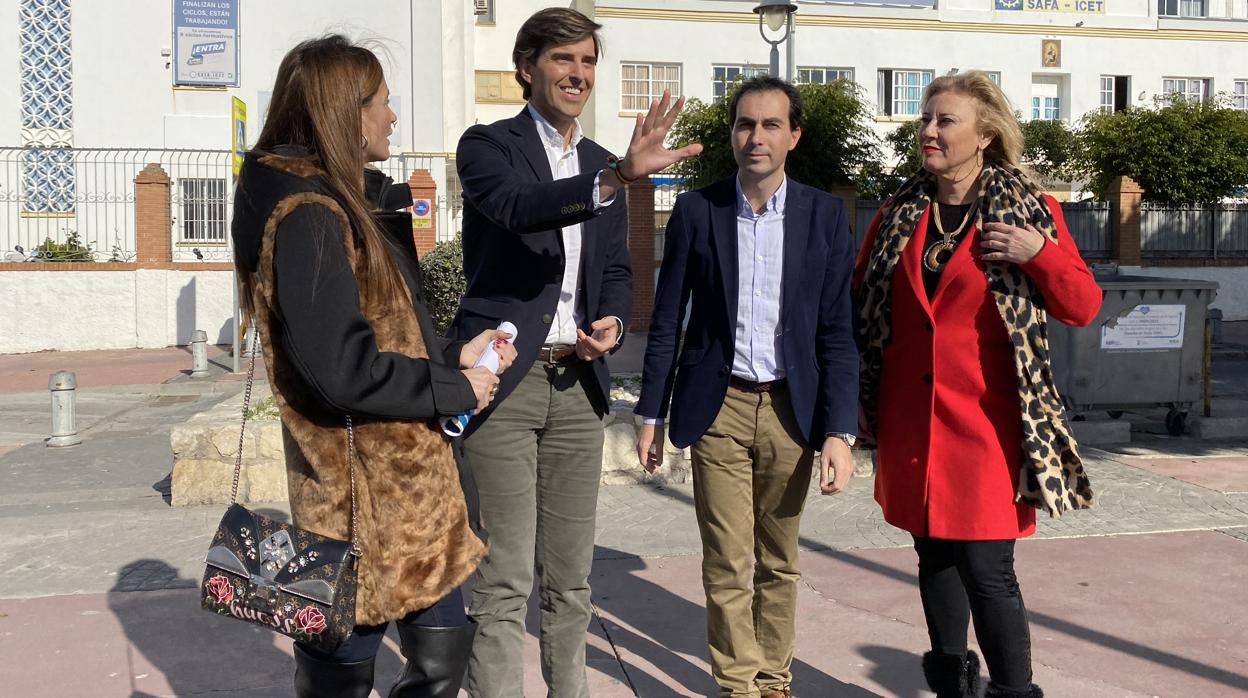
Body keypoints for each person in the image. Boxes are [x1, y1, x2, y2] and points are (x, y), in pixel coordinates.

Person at [231, 35, 516, 698]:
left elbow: (384, 333)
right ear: (345, 112)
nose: (392, 116)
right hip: (355, 509)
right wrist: (455, 388)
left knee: (442, 667)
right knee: (339, 681)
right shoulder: (307, 214)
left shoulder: (345, 201)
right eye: (384, 102)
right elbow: (341, 370)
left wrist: (453, 356)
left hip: (413, 500)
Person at [449, 7, 701, 696]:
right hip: (503, 384)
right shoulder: (487, 146)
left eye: (587, 61)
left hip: (578, 384)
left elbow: (614, 270)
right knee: (502, 581)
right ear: (527, 68)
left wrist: (614, 323)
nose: (578, 74)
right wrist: (617, 178)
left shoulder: (599, 164)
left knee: (571, 581)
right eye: (563, 60)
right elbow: (518, 208)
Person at [853, 70, 1101, 698]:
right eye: (926, 119)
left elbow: (1082, 306)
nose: (929, 131)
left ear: (985, 134)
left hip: (989, 427)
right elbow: (859, 303)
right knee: (934, 559)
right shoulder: (897, 212)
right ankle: (952, 688)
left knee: (988, 571)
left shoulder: (1031, 212)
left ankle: (1014, 692)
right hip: (911, 422)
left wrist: (1035, 253)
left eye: (945, 121)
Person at [634, 76, 859, 698]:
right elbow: (666, 322)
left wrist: (840, 431)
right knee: (728, 560)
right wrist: (650, 412)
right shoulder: (697, 211)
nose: (755, 137)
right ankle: (738, 685)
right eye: (744, 124)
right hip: (719, 405)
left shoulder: (823, 216)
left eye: (768, 125)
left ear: (793, 136)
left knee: (779, 561)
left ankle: (773, 677)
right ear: (732, 133)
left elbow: (838, 333)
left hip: (793, 408)